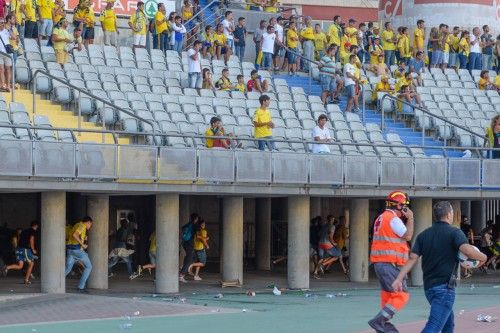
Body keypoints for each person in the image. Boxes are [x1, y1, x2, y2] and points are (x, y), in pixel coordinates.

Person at [392, 201, 487, 333]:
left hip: (429, 288)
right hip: (444, 288)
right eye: (452, 213)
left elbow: (412, 258)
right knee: (434, 325)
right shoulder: (455, 232)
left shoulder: (423, 235)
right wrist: (484, 257)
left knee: (448, 324)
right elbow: (467, 250)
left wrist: (399, 278)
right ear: (449, 215)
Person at [368, 191, 414, 332]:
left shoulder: (381, 218)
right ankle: (379, 322)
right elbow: (408, 236)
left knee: (388, 296)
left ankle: (386, 328)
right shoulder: (393, 219)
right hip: (390, 264)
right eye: (404, 206)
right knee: (401, 294)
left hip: (381, 263)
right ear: (400, 206)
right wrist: (411, 218)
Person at [65, 216, 93, 292]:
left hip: (70, 250)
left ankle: (56, 282)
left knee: (67, 269)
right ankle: (81, 287)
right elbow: (75, 234)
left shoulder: (77, 224)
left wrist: (83, 239)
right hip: (77, 251)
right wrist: (83, 245)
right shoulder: (82, 226)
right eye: (90, 225)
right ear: (88, 222)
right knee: (89, 267)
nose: (90, 226)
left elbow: (74, 235)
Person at [179, 213, 200, 283]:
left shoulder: (188, 224)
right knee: (189, 259)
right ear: (196, 219)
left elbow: (182, 228)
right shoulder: (194, 225)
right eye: (197, 219)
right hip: (189, 243)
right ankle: (181, 275)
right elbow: (198, 235)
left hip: (185, 243)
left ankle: (183, 266)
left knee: (193, 257)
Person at [0, 18, 11, 92]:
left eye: (3, 22)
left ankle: (8, 85)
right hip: (0, 52)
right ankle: (3, 84)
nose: (3, 24)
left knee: (8, 69)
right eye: (1, 23)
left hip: (7, 53)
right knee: (1, 69)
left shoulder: (7, 31)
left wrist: (10, 29)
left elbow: (14, 37)